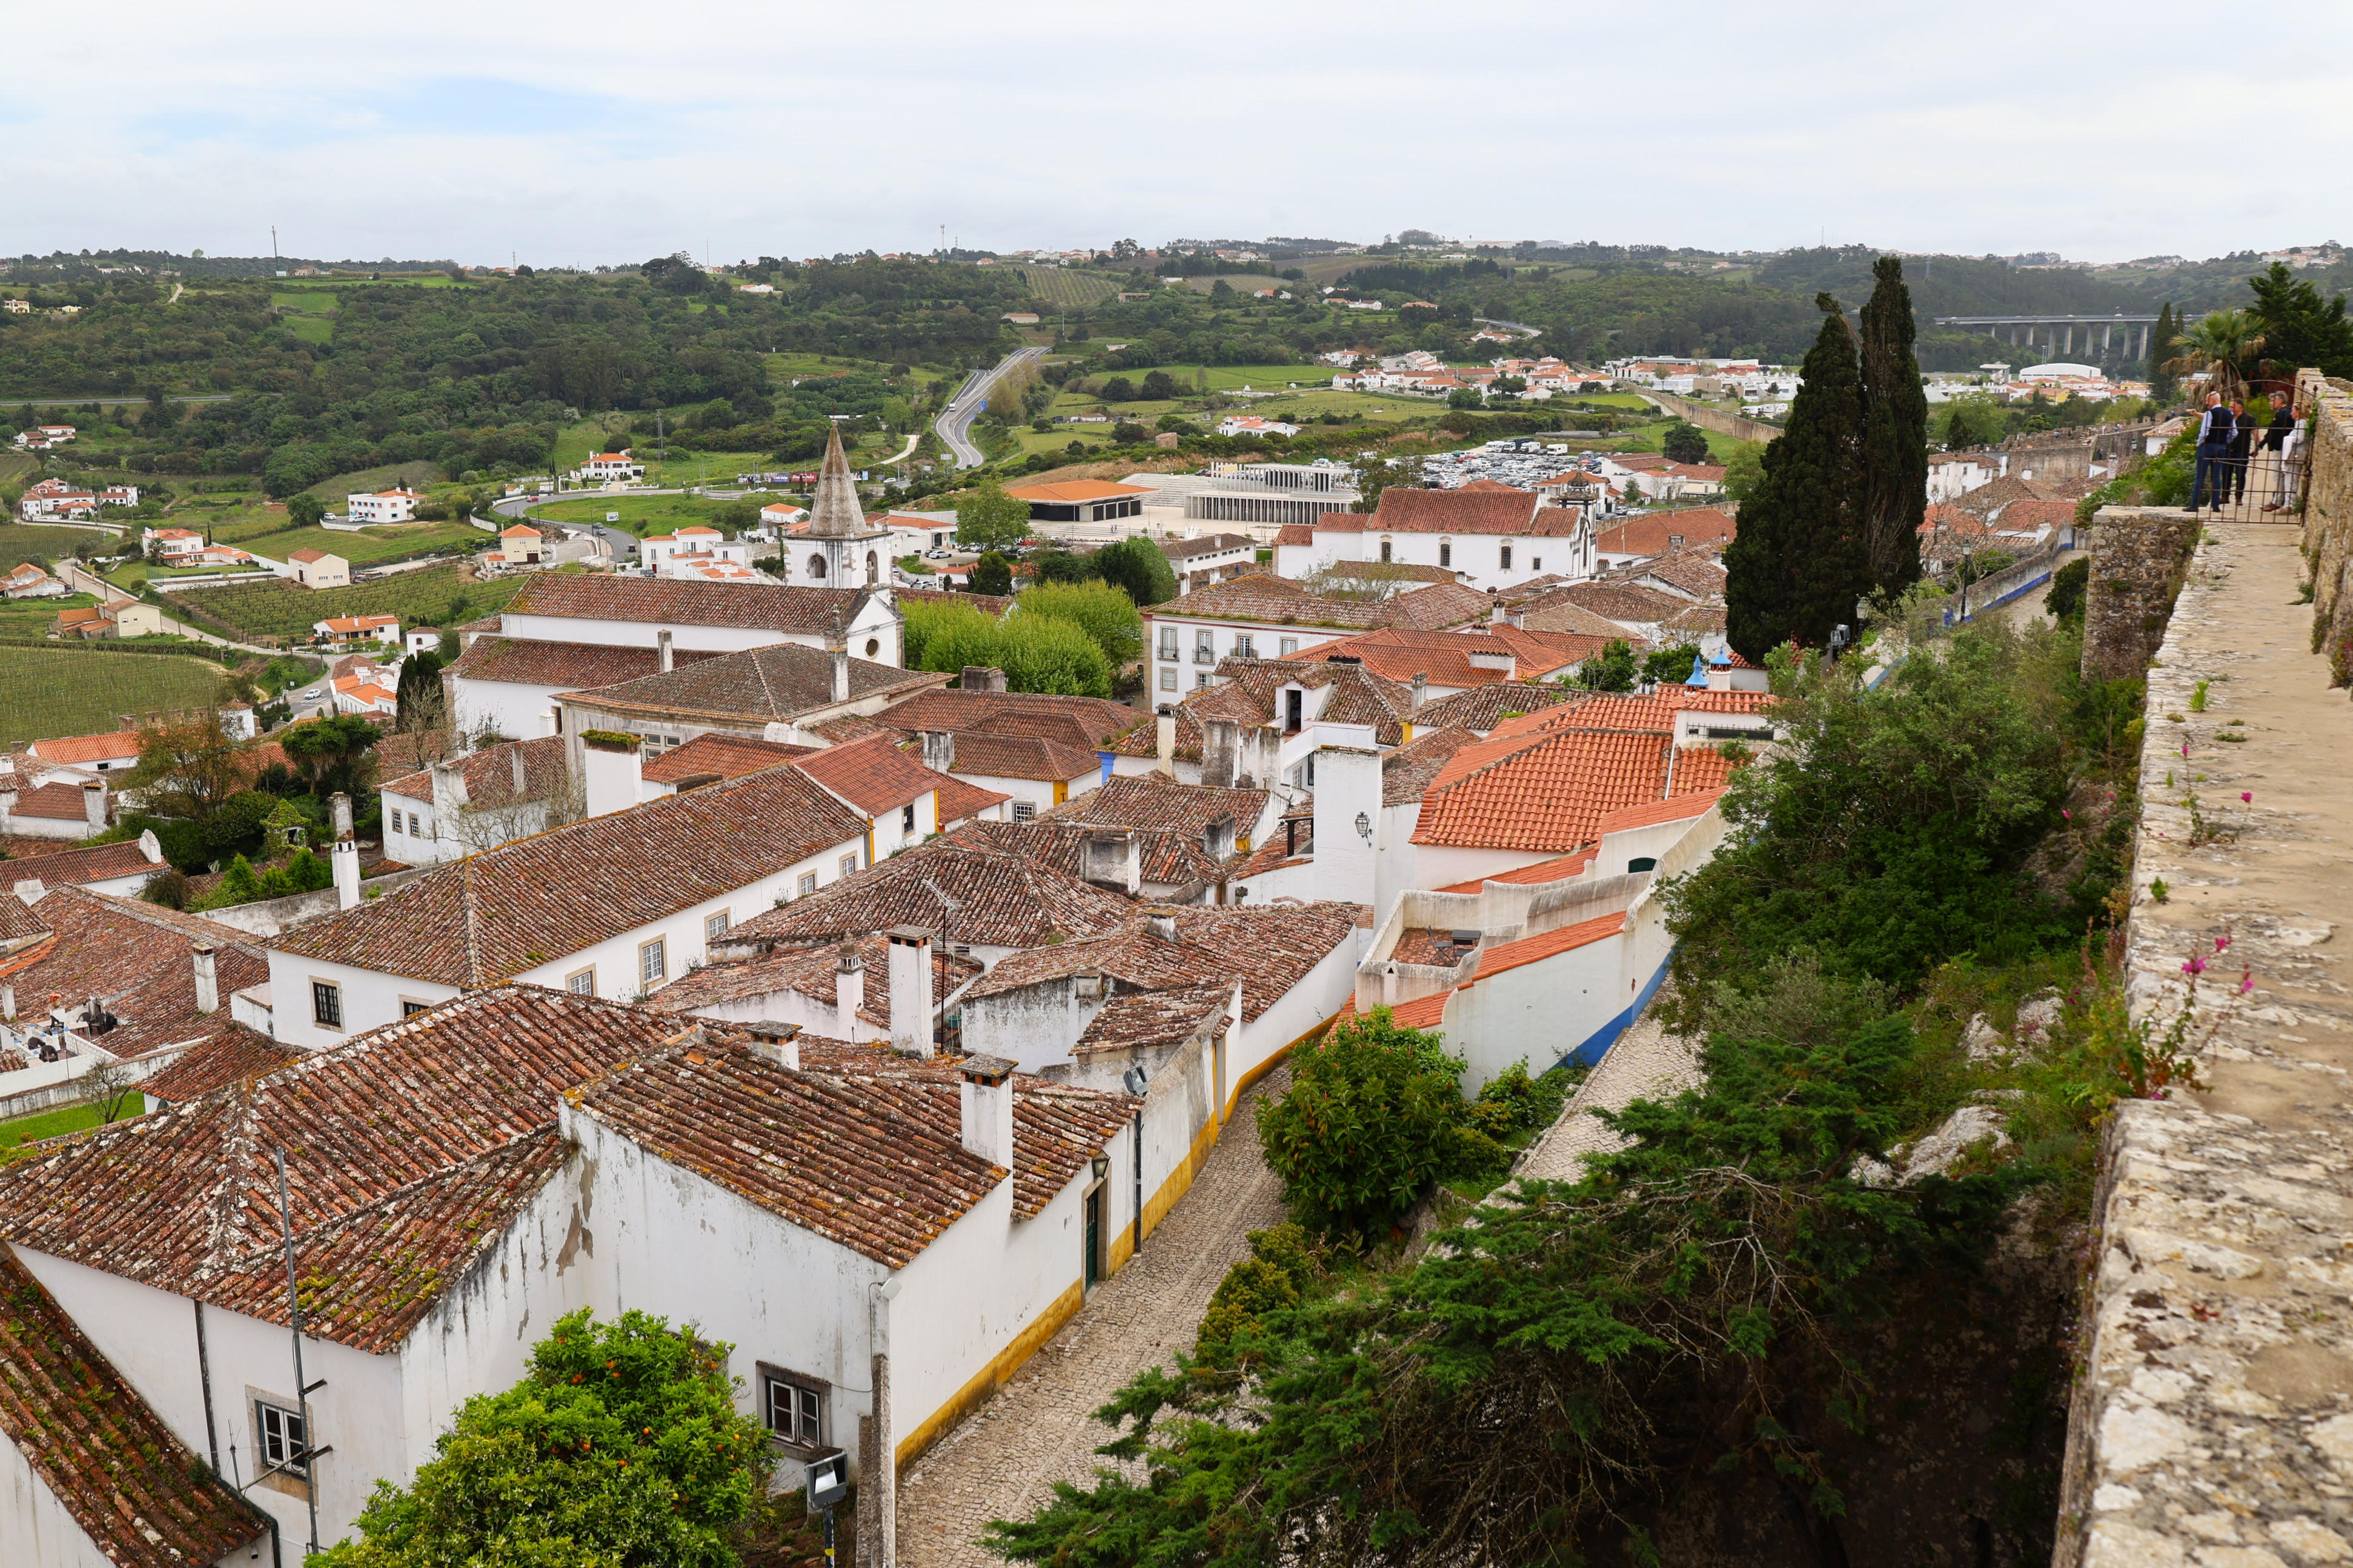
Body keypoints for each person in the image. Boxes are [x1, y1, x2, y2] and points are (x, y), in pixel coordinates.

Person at [2191, 391, 2235, 511]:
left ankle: (2195, 505)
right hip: (2221, 448)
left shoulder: (2210, 414)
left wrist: (2199, 444)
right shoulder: (2229, 414)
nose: (2206, 403)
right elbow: (2234, 432)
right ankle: (2216, 505)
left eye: (2208, 400)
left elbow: (2204, 433)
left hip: (2208, 446)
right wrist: (2225, 441)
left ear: (2214, 400)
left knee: (2200, 476)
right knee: (2216, 476)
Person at [2258, 394, 2297, 511]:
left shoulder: (2284, 413)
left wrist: (2277, 445)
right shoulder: (2283, 412)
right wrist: (2261, 444)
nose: (2270, 403)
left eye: (2272, 401)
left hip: (2280, 448)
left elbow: (2279, 432)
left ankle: (2278, 501)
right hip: (2280, 447)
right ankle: (2278, 500)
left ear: (2280, 401)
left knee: (2278, 475)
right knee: (2280, 475)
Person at [2225, 399, 2256, 506]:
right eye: (2230, 407)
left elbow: (2255, 434)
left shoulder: (2248, 418)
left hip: (2242, 451)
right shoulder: (2228, 418)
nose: (2230, 409)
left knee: (2240, 474)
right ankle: (2225, 496)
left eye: (2232, 407)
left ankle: (2239, 498)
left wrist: (2257, 448)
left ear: (2240, 407)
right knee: (2226, 474)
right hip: (2228, 449)